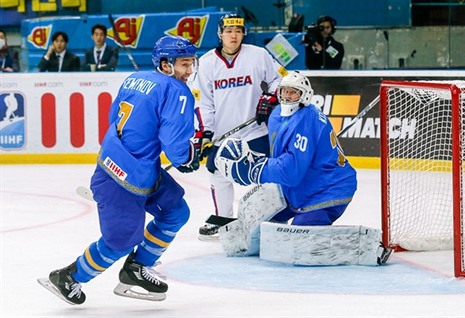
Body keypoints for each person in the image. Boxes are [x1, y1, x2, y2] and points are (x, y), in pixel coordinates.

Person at [37, 35, 200, 305]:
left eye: (191, 63)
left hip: (127, 165)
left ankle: (136, 268)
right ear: (165, 64)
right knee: (121, 241)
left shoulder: (133, 79)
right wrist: (188, 155)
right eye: (184, 64)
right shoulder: (177, 91)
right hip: (122, 178)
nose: (189, 71)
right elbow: (175, 148)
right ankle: (69, 277)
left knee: (175, 210)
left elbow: (114, 118)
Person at [216, 71, 357, 226]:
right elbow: (281, 155)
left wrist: (256, 170)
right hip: (304, 186)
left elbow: (290, 172)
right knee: (262, 224)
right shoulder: (277, 114)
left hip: (327, 189)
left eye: (294, 93)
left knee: (299, 236)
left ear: (305, 95)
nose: (288, 96)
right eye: (285, 91)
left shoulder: (305, 120)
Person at [190, 13, 285, 240]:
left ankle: (270, 220)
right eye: (229, 31)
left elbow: (281, 78)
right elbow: (204, 103)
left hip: (255, 131)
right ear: (220, 34)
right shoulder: (206, 63)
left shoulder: (258, 55)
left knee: (266, 174)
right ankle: (224, 220)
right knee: (216, 172)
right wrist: (206, 132)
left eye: (238, 31)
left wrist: (270, 98)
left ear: (244, 33)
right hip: (224, 136)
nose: (234, 35)